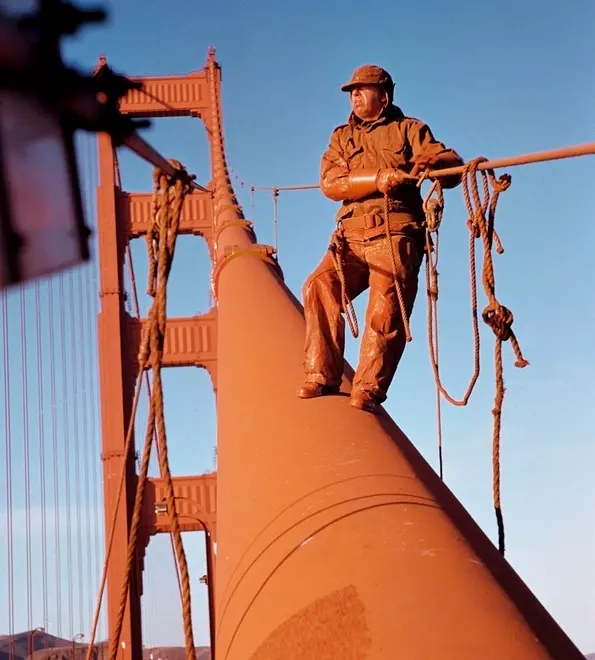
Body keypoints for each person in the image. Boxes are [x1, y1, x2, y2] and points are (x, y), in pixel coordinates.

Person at [299, 64, 464, 413]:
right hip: (351, 237)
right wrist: (378, 178)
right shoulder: (342, 137)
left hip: (396, 235)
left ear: (384, 96)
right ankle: (322, 373)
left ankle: (368, 388)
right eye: (351, 91)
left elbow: (453, 166)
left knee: (385, 309)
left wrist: (432, 163)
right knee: (318, 285)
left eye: (362, 89)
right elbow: (330, 183)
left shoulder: (410, 129)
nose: (355, 96)